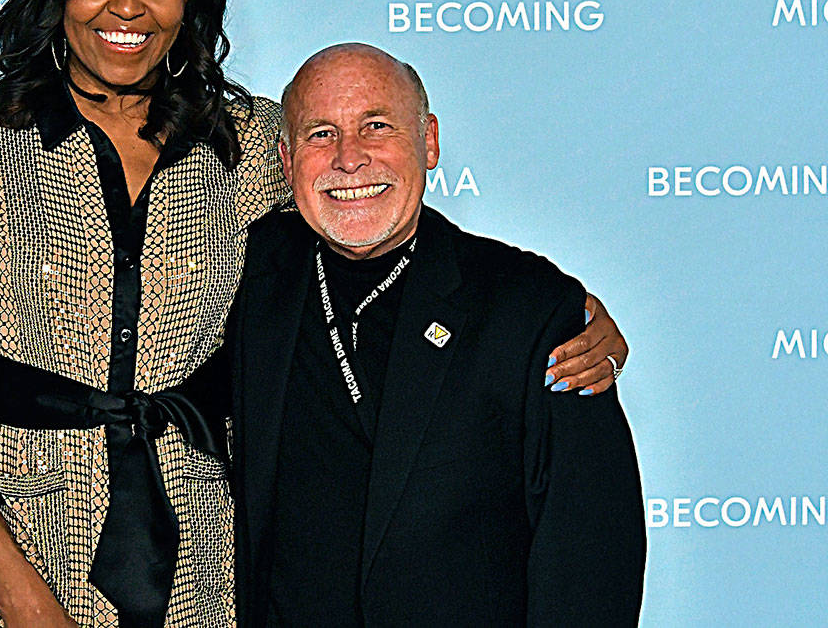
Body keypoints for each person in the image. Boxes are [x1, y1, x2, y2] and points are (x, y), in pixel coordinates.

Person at [0, 0, 629, 628]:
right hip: (14, 559)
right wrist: (24, 601)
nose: (127, 8)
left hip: (207, 574)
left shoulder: (252, 142)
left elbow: (379, 231)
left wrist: (566, 318)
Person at [229, 44, 645, 626]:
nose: (350, 159)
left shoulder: (530, 307)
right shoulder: (244, 277)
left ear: (429, 141)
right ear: (286, 156)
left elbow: (592, 558)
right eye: (321, 134)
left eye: (376, 126)